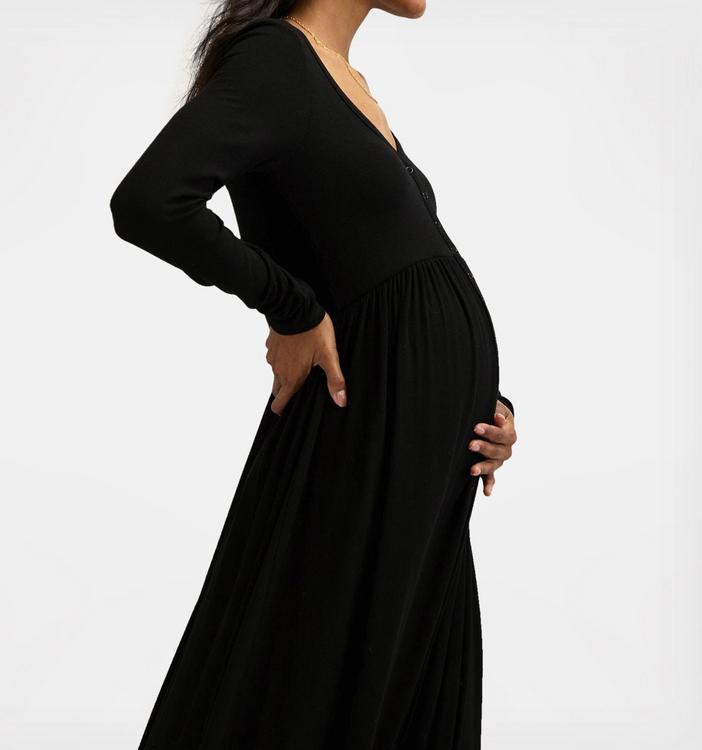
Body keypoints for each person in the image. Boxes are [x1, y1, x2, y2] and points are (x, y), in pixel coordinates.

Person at [109, 0, 518, 747]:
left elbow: (381, 253)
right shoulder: (278, 59)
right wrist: (290, 307)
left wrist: (486, 401)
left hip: (421, 453)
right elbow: (149, 202)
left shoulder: (343, 80)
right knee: (316, 674)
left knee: (396, 684)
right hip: (364, 428)